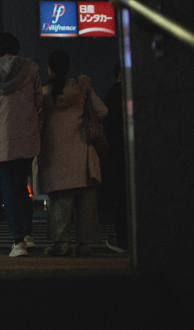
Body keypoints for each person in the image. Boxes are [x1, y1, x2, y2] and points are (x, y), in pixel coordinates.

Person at [38, 50, 108, 256]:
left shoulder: (44, 92)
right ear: (68, 68)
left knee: (60, 199)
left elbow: (37, 121)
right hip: (81, 150)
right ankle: (84, 244)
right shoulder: (82, 86)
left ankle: (61, 243)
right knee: (86, 199)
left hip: (55, 152)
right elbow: (103, 111)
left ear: (50, 70)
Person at [0, 33, 43, 258]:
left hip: (0, 137)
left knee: (9, 191)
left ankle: (18, 242)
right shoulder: (31, 68)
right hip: (26, 134)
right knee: (22, 186)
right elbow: (38, 101)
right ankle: (28, 235)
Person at [101, 63, 128, 253]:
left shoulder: (113, 93)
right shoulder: (139, 88)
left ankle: (122, 239)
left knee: (122, 194)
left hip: (118, 151)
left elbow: (106, 123)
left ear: (117, 73)